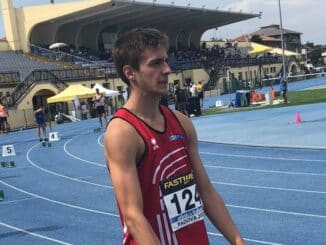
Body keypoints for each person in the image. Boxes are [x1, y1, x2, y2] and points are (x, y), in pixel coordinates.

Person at [104, 28, 244, 245]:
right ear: (130, 73)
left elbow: (205, 191)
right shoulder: (123, 133)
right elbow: (133, 216)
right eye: (155, 63)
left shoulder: (181, 123)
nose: (167, 70)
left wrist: (237, 239)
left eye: (166, 61)